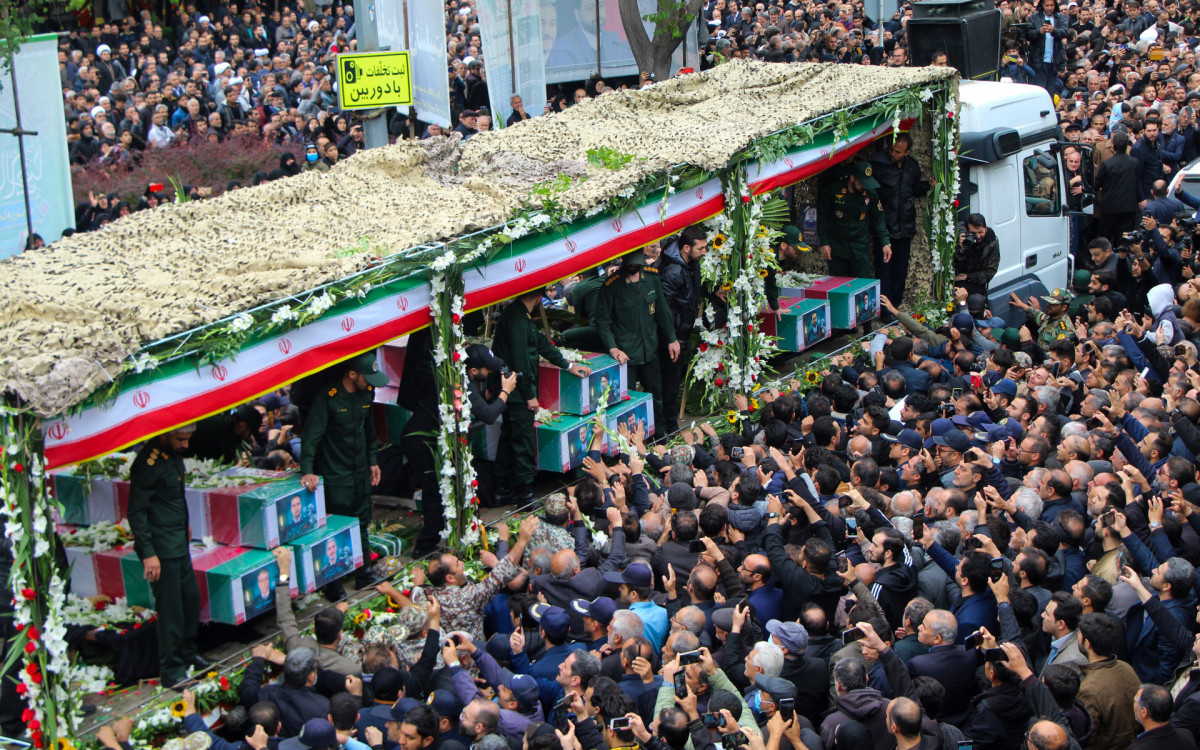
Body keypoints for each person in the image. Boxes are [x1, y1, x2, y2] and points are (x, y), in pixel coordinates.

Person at [127, 423, 209, 688]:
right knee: (171, 609)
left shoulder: (171, 455)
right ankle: (171, 669)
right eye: (180, 439)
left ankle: (188, 652)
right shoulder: (148, 464)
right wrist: (148, 553)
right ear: (165, 433)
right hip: (162, 548)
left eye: (188, 438)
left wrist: (184, 524)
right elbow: (136, 512)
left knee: (190, 600)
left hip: (178, 541)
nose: (186, 444)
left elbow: (172, 497)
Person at [492, 290, 591, 505]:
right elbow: (520, 361)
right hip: (518, 392)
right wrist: (530, 395)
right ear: (538, 299)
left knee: (509, 438)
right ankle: (525, 494)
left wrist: (569, 365)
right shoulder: (518, 320)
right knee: (523, 441)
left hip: (512, 390)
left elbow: (541, 343)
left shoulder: (519, 315)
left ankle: (501, 490)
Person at [300, 352, 387, 593]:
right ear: (352, 374)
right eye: (366, 377)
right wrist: (307, 470)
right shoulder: (328, 397)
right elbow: (311, 436)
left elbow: (369, 431)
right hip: (335, 473)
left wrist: (373, 460)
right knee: (335, 527)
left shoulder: (366, 395)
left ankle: (364, 573)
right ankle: (332, 581)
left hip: (359, 471)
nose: (370, 383)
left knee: (362, 521)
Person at [593, 250, 679, 435]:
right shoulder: (612, 285)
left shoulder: (652, 277)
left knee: (656, 395)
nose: (633, 266)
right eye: (630, 263)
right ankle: (629, 441)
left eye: (636, 263)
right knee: (627, 399)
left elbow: (662, 311)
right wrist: (613, 347)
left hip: (650, 350)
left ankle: (660, 435)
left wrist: (671, 338)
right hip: (626, 354)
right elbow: (602, 321)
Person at [870, 133, 931, 308]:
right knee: (884, 271)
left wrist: (928, 186)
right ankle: (884, 309)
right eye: (892, 150)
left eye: (898, 152)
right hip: (885, 227)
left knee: (900, 269)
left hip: (905, 227)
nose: (893, 154)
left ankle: (895, 307)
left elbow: (914, 188)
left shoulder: (912, 165)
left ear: (907, 153)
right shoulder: (878, 163)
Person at [658, 226, 708, 435]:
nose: (704, 252)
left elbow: (693, 289)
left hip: (681, 332)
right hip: (672, 337)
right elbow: (665, 309)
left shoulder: (690, 263)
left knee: (673, 380)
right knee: (669, 383)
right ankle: (669, 429)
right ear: (686, 248)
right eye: (701, 248)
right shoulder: (673, 271)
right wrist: (672, 338)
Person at [463, 344, 519, 508]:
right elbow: (488, 416)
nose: (490, 372)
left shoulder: (466, 379)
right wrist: (506, 391)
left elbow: (473, 401)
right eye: (487, 369)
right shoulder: (465, 384)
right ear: (474, 370)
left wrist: (489, 393)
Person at [816, 160, 892, 279]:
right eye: (862, 183)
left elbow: (878, 218)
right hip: (838, 247)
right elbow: (822, 216)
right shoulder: (834, 190)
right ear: (852, 178)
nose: (864, 187)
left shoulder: (870, 193)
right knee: (838, 284)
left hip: (860, 248)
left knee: (863, 284)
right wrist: (824, 242)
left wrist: (885, 243)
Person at [953, 214, 1000, 299]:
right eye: (973, 233)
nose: (978, 236)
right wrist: (961, 250)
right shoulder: (958, 238)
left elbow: (991, 270)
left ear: (985, 228)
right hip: (957, 282)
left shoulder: (991, 242)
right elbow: (952, 266)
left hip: (976, 283)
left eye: (980, 232)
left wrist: (968, 276)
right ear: (967, 231)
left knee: (976, 301)